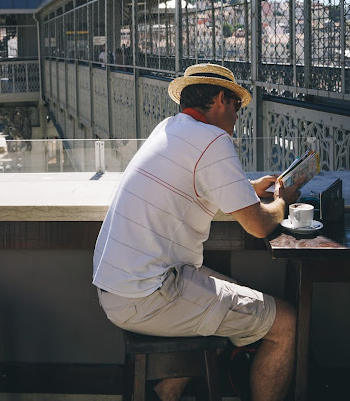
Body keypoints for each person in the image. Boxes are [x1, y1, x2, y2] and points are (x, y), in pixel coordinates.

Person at [93, 63, 302, 401]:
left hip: (120, 285)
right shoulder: (212, 139)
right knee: (286, 323)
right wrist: (282, 201)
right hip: (148, 295)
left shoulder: (170, 128)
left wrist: (246, 188)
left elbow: (193, 181)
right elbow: (260, 224)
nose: (238, 118)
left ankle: (167, 392)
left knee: (232, 298)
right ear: (221, 100)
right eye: (237, 107)